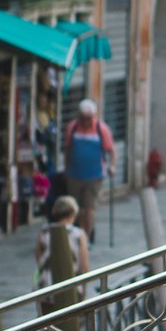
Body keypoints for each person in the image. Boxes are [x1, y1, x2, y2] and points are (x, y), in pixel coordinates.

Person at [64, 98, 115, 238]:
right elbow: (67, 149)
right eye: (83, 118)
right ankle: (80, 233)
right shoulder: (72, 127)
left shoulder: (101, 129)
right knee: (76, 208)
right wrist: (66, 168)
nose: (85, 121)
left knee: (89, 207)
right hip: (74, 174)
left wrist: (112, 166)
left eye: (88, 118)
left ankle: (87, 236)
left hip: (94, 175)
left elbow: (111, 150)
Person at [36, 191, 90, 279]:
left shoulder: (44, 231)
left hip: (46, 282)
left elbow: (39, 258)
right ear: (73, 213)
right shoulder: (79, 234)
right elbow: (84, 267)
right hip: (72, 283)